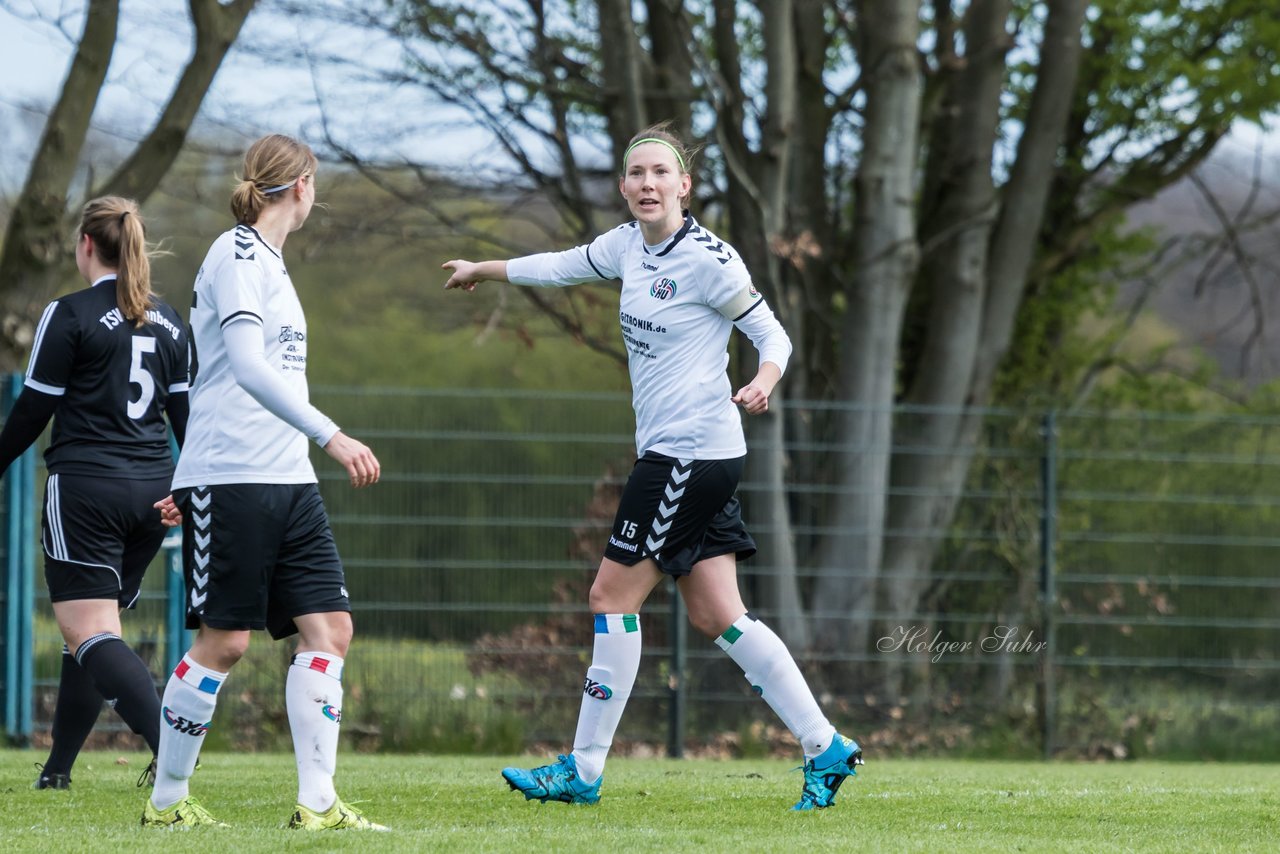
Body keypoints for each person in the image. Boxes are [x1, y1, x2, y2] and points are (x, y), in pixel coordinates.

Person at [442, 123, 864, 811]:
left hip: (688, 455)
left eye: (659, 173)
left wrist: (764, 380)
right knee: (719, 613)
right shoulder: (626, 247)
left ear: (684, 185)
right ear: (623, 185)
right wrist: (483, 270)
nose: (646, 184)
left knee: (611, 598)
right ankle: (826, 746)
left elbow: (772, 333)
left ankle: (582, 768)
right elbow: (561, 263)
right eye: (635, 173)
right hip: (693, 456)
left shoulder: (710, 260)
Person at [142, 134, 386, 831]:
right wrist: (331, 434)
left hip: (288, 479)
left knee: (330, 629)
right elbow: (245, 369)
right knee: (226, 643)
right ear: (303, 185)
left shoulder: (273, 265)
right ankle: (166, 805)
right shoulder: (237, 254)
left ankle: (318, 806)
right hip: (238, 474)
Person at [0, 196, 189, 790]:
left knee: (90, 633)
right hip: (155, 497)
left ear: (86, 244)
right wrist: (193, 489)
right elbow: (191, 419)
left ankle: (174, 750)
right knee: (91, 633)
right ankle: (57, 772)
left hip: (86, 491)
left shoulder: (69, 313)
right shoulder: (169, 320)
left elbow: (34, 408)